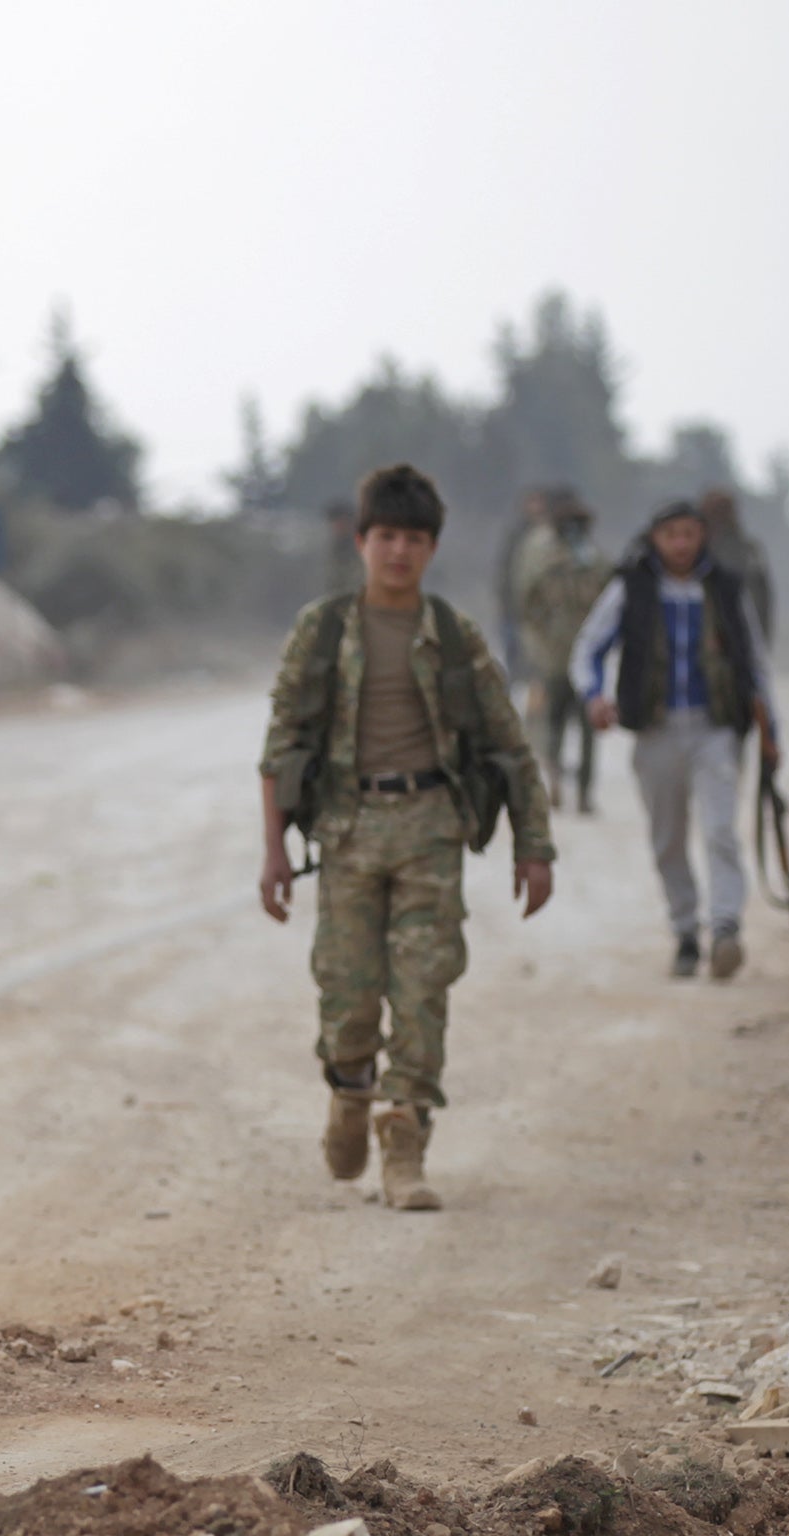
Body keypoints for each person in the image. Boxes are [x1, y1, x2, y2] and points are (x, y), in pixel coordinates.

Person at [259, 464, 555, 1213]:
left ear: (431, 548)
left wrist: (534, 846)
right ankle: (350, 1091)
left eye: (414, 539)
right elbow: (280, 746)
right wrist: (274, 856)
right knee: (348, 995)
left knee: (423, 991)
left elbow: (510, 746)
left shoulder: (454, 637)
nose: (399, 551)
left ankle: (405, 1142)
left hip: (431, 831)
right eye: (386, 536)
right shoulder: (322, 631)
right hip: (347, 831)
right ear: (361, 541)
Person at [571, 499, 777, 982]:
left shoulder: (726, 588)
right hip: (656, 731)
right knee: (668, 838)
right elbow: (589, 647)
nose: (681, 544)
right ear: (655, 539)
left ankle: (725, 927)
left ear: (702, 535)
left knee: (720, 830)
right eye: (671, 535)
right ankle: (685, 930)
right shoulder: (631, 587)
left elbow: (757, 660)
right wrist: (593, 696)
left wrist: (772, 731)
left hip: (716, 730)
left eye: (690, 534)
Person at [517, 493, 610, 814]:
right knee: (560, 723)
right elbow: (529, 604)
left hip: (569, 655)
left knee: (573, 725)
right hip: (561, 655)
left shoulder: (579, 560)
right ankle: (564, 784)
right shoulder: (589, 559)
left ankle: (573, 787)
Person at [700, 488, 775, 648]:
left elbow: (760, 596)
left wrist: (761, 639)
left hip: (740, 634)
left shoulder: (748, 550)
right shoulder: (694, 549)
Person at [494, 488, 553, 684]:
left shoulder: (548, 535)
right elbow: (505, 570)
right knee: (515, 655)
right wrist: (504, 601)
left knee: (537, 659)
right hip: (514, 606)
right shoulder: (517, 535)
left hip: (538, 609)